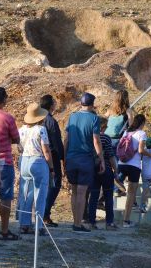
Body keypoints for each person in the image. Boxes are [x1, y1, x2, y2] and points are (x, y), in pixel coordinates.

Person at [65, 92, 104, 233]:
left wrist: (65, 158)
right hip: (85, 159)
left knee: (74, 192)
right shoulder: (94, 118)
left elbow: (67, 139)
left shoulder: (72, 116)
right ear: (92, 104)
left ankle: (75, 221)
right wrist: (101, 159)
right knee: (82, 192)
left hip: (71, 158)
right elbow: (96, 141)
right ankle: (77, 224)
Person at [0, 87, 21, 241]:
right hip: (4, 160)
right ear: (4, 99)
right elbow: (16, 138)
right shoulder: (7, 118)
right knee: (5, 196)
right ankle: (4, 230)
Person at [17, 103, 53, 234]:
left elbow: (19, 148)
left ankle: (24, 224)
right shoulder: (41, 129)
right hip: (37, 160)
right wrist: (51, 167)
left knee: (26, 193)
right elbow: (46, 150)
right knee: (40, 194)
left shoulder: (21, 130)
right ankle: (39, 226)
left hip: (24, 160)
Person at [118, 114, 151, 228]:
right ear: (142, 123)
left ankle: (119, 186)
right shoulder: (142, 134)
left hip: (121, 163)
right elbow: (141, 150)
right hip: (134, 166)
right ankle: (126, 221)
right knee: (131, 193)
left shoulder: (126, 132)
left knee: (120, 182)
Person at [87, 117, 118, 230]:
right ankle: (109, 222)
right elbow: (110, 155)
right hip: (106, 169)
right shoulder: (105, 138)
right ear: (103, 126)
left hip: (93, 169)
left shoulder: (89, 137)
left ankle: (91, 222)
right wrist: (116, 170)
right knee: (108, 196)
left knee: (93, 196)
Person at [40, 95, 64, 227]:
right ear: (51, 105)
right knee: (55, 184)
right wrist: (62, 157)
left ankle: (43, 213)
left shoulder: (39, 119)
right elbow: (56, 142)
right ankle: (45, 213)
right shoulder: (50, 121)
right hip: (51, 156)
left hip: (38, 156)